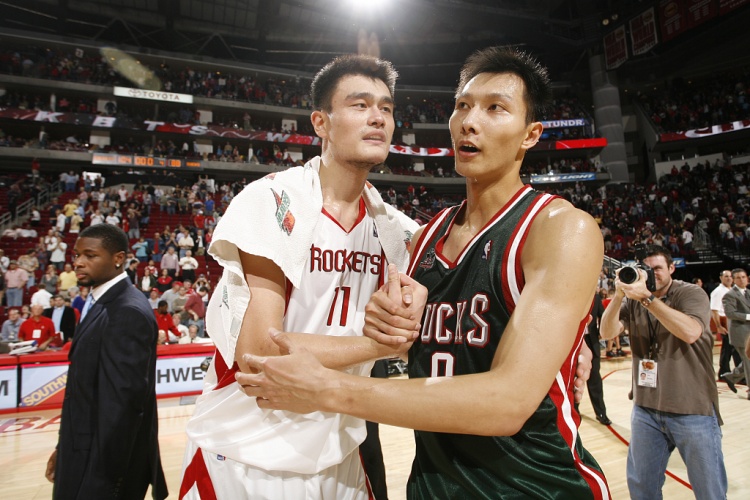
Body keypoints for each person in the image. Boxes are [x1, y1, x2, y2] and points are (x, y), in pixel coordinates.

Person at [234, 47, 606, 499]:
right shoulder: (419, 240)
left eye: (495, 108)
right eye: (463, 105)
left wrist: (329, 388)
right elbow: (393, 336)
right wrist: (383, 331)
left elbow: (508, 403)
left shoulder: (561, 228)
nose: (470, 121)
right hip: (431, 485)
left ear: (531, 134)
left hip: (536, 485)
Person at [179, 54, 420, 499]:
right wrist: (382, 345)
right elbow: (261, 352)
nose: (378, 118)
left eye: (386, 108)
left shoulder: (398, 232)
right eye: (360, 105)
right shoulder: (273, 201)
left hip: (340, 453)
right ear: (321, 123)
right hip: (247, 453)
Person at [44, 223, 168, 500]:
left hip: (102, 469)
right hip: (81, 451)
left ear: (118, 258)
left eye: (90, 255)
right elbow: (84, 396)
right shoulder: (102, 302)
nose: (78, 262)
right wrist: (64, 448)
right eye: (77, 255)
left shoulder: (126, 310)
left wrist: (101, 483)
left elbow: (123, 408)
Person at [600, 244, 726, 499]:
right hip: (646, 409)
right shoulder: (633, 300)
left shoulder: (690, 293)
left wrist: (647, 299)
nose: (652, 274)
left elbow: (690, 332)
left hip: (691, 408)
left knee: (709, 492)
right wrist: (619, 295)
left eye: (657, 268)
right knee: (642, 488)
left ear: (671, 268)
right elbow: (606, 332)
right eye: (646, 269)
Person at [721, 268, 750, 400]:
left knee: (747, 361)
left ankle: (731, 377)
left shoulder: (748, 292)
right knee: (748, 362)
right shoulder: (730, 295)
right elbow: (730, 313)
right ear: (733, 280)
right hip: (740, 333)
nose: (742, 280)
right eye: (738, 277)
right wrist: (748, 316)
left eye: (743, 277)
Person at [711, 269, 742, 388]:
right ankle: (730, 374)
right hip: (725, 322)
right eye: (726, 276)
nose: (729, 278)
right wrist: (719, 326)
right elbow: (714, 310)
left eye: (730, 276)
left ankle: (726, 373)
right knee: (731, 349)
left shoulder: (731, 290)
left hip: (733, 322)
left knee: (729, 349)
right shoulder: (718, 292)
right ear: (721, 278)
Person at [585, 290, 611, 425]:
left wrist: (602, 330)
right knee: (572, 380)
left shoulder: (595, 297)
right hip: (572, 343)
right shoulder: (570, 294)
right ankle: (573, 410)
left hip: (592, 342)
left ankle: (601, 413)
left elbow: (603, 315)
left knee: (595, 379)